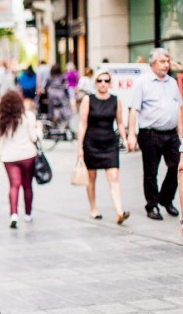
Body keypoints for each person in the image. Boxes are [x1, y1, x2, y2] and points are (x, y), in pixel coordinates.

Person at [127, 47, 183, 220]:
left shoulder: (172, 82)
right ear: (152, 63)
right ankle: (152, 205)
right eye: (162, 62)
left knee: (177, 166)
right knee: (150, 171)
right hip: (150, 133)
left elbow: (178, 109)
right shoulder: (142, 82)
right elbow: (134, 109)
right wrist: (131, 134)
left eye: (167, 61)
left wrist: (181, 135)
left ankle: (166, 198)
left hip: (171, 133)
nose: (166, 65)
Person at [77, 70, 130, 224]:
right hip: (91, 142)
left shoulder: (115, 100)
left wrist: (125, 139)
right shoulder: (88, 100)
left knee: (114, 178)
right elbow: (82, 124)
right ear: (95, 82)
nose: (103, 84)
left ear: (110, 83)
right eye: (100, 80)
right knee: (91, 177)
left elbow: (120, 122)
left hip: (109, 143)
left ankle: (119, 211)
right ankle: (93, 208)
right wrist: (80, 147)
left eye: (106, 81)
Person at [0, 91, 41, 229]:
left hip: (9, 156)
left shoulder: (1, 119)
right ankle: (28, 214)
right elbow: (34, 138)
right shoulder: (28, 116)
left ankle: (13, 214)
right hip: (27, 155)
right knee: (27, 185)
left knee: (14, 185)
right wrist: (39, 130)